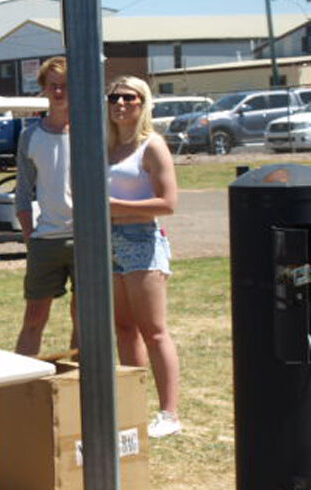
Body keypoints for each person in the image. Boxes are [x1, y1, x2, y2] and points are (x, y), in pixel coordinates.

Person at [106, 75, 182, 438]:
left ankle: (170, 413)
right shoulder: (106, 147)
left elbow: (168, 203)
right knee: (123, 328)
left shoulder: (152, 145)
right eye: (114, 98)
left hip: (142, 240)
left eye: (129, 98)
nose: (120, 104)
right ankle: (133, 407)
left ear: (143, 103)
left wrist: (114, 206)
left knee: (154, 331)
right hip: (108, 241)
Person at [13, 56, 78, 356]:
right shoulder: (30, 135)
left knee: (84, 318)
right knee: (34, 319)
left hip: (85, 240)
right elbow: (23, 193)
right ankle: (22, 380)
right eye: (53, 86)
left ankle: (83, 378)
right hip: (45, 240)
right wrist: (30, 237)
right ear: (44, 88)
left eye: (65, 85)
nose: (59, 92)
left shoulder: (92, 132)